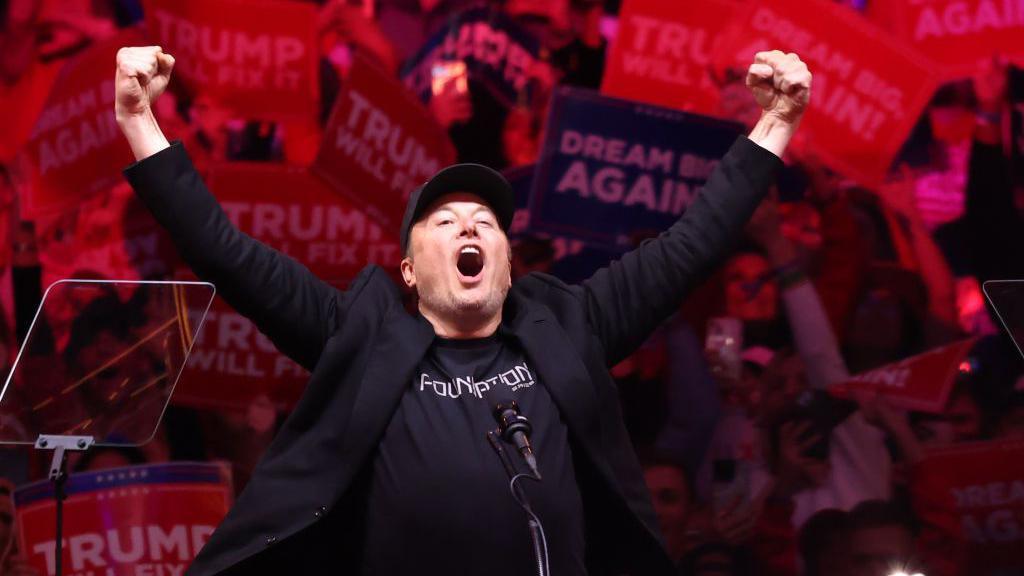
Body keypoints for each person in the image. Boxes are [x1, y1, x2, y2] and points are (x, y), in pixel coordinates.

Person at [113, 42, 811, 575]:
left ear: (509, 263)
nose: (471, 227)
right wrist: (141, 121)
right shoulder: (356, 332)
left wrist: (775, 124)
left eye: (486, 222)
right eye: (445, 223)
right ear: (410, 272)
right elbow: (225, 253)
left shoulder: (573, 322)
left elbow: (692, 245)